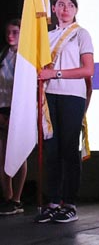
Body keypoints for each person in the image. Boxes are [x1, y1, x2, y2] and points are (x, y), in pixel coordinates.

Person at [34, 0, 95, 223]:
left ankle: (69, 203)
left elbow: (88, 70)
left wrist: (55, 73)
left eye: (70, 5)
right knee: (52, 151)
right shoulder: (47, 36)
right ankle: (52, 201)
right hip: (49, 96)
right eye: (60, 5)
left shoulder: (81, 34)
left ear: (76, 10)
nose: (65, 9)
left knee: (69, 150)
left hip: (72, 96)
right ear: (53, 8)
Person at [0, 19, 26, 216]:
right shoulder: (2, 54)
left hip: (19, 109)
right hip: (2, 107)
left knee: (18, 153)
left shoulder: (25, 56)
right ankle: (7, 197)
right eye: (8, 32)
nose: (10, 36)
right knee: (2, 154)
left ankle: (17, 198)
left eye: (15, 32)